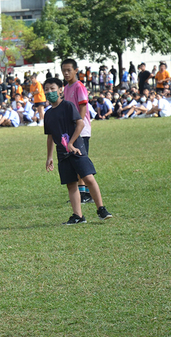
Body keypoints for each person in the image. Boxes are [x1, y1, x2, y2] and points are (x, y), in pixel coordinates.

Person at [43, 78, 113, 224]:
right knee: (71, 183)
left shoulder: (68, 106)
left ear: (60, 89)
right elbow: (50, 136)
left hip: (76, 149)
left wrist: (71, 143)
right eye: (47, 89)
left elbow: (80, 124)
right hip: (62, 153)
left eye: (52, 88)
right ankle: (78, 216)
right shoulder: (48, 114)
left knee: (88, 178)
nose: (49, 92)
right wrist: (49, 156)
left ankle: (101, 209)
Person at [62, 59, 95, 204]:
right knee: (76, 161)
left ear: (76, 70)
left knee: (81, 161)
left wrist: (78, 125)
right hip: (73, 130)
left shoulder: (79, 87)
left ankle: (86, 194)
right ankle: (82, 193)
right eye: (64, 70)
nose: (66, 73)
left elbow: (82, 107)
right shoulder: (66, 87)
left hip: (81, 130)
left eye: (69, 70)